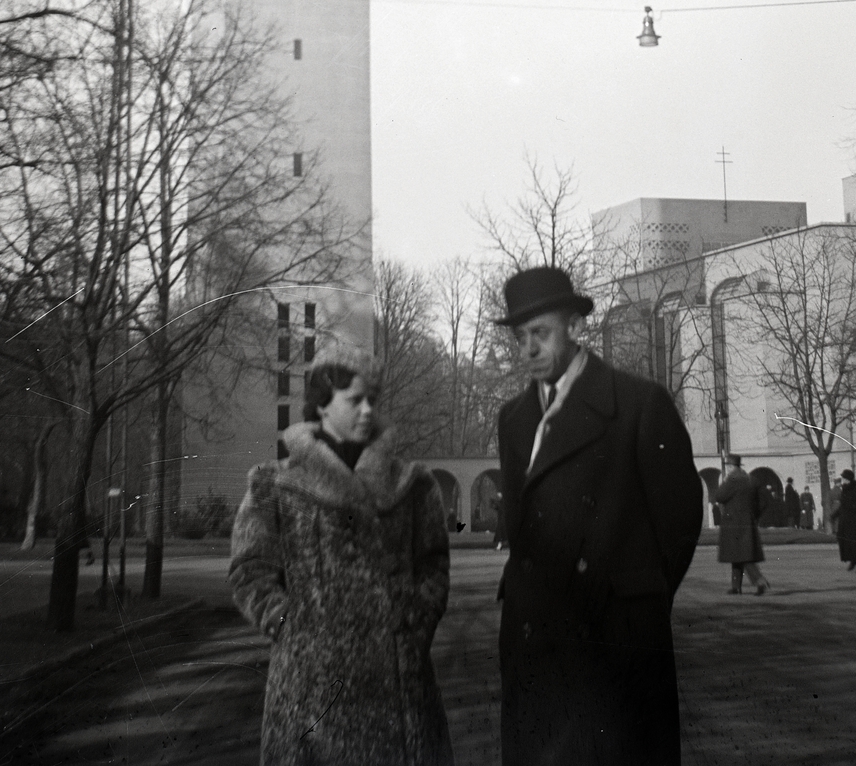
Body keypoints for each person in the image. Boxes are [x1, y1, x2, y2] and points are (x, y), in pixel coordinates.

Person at [495, 266, 703, 766]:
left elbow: (678, 523)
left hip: (614, 647)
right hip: (533, 644)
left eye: (539, 333)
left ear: (576, 327)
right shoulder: (514, 420)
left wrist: (632, 603)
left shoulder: (638, 405)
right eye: (520, 337)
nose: (528, 350)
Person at [230, 345, 454, 766]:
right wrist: (292, 629)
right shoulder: (274, 486)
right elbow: (249, 571)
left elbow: (434, 565)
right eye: (355, 400)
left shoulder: (412, 484)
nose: (368, 410)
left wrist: (414, 624)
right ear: (322, 406)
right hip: (311, 689)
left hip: (399, 683)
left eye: (373, 399)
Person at [715, 455, 768, 595]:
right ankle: (736, 586)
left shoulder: (732, 480)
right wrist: (754, 516)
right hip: (748, 522)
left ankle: (759, 580)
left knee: (741, 554)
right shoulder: (751, 480)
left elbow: (719, 496)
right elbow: (763, 501)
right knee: (738, 553)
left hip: (733, 522)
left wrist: (725, 481)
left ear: (731, 467)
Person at [834, 468, 856, 574]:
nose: (842, 480)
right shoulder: (844, 490)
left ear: (848, 479)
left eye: (844, 478)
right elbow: (842, 506)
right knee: (846, 543)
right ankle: (853, 562)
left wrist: (848, 507)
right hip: (845, 522)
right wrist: (834, 514)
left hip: (855, 523)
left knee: (855, 544)